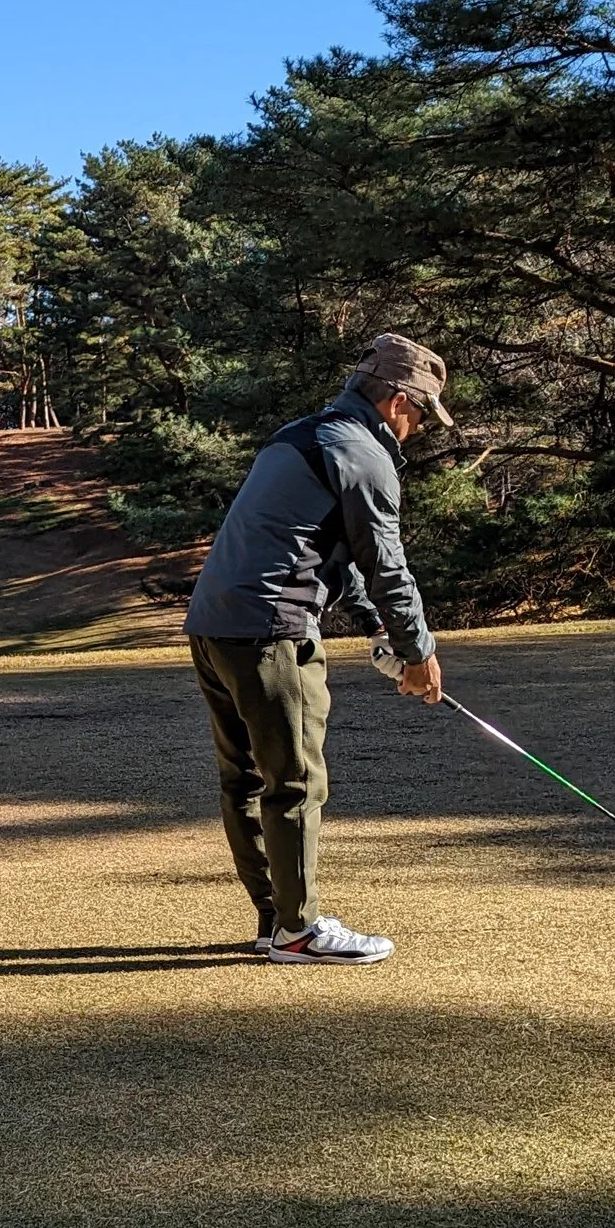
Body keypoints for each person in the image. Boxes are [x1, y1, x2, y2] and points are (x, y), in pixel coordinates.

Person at [181, 334, 451, 967]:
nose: (417, 429)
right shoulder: (364, 454)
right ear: (396, 400)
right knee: (296, 781)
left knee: (245, 779)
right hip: (273, 630)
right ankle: (298, 931)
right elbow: (387, 565)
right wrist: (418, 652)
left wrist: (373, 628)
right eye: (420, 414)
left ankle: (276, 919)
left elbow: (329, 550)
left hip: (212, 625)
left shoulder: (300, 435)